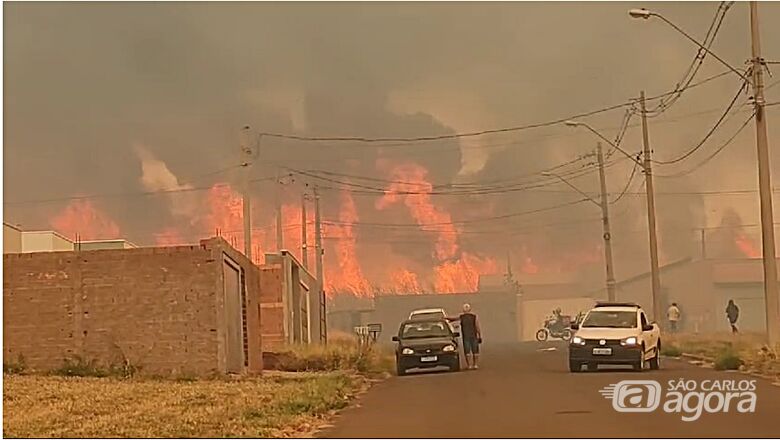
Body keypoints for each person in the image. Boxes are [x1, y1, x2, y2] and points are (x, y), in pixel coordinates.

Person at [459, 303, 482, 370]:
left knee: (467, 351)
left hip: (466, 336)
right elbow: (477, 326)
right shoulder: (474, 317)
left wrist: (446, 318)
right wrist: (480, 335)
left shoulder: (462, 317)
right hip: (473, 336)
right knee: (475, 351)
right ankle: (475, 364)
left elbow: (454, 318)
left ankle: (469, 365)